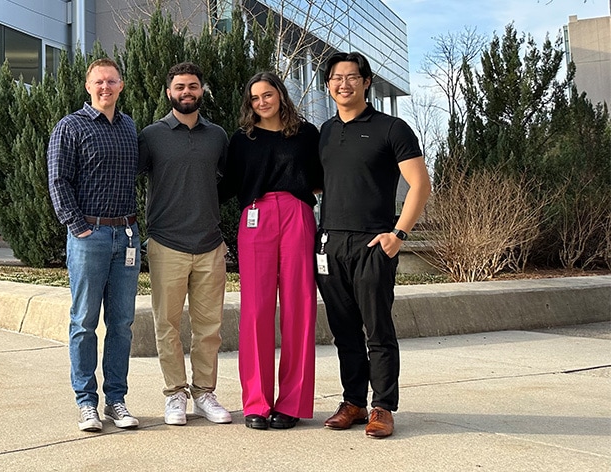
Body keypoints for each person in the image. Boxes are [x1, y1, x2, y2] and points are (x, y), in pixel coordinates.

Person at [315, 52, 431, 438]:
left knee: (377, 328)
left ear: (366, 82)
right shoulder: (326, 132)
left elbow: (420, 184)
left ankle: (382, 405)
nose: (343, 83)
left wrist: (398, 235)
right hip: (330, 243)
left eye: (351, 76)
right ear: (328, 84)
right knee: (343, 329)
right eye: (335, 77)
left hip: (374, 243)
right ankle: (353, 401)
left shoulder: (391, 128)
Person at [219, 72, 322, 430]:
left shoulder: (307, 134)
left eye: (268, 94)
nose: (262, 102)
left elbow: (323, 179)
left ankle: (291, 402)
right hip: (256, 217)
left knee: (299, 307)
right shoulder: (242, 139)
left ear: (280, 94)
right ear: (249, 103)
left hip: (296, 213)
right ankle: (257, 402)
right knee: (255, 310)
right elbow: (228, 186)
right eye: (255, 98)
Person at [47, 58, 141, 432]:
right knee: (84, 322)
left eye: (112, 81)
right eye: (99, 82)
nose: (106, 87)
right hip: (90, 236)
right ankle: (87, 402)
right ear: (88, 86)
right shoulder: (70, 126)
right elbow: (58, 180)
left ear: (121, 85)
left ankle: (116, 400)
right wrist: (78, 226)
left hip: (127, 236)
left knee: (122, 323)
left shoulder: (130, 127)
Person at [138, 62, 232, 426]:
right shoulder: (151, 135)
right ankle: (175, 393)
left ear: (201, 90)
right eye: (180, 87)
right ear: (168, 92)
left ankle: (204, 393)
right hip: (166, 243)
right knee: (168, 325)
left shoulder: (217, 136)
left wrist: (204, 205)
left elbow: (226, 181)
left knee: (209, 327)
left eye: (193, 86)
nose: (186, 92)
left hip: (210, 243)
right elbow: (128, 175)